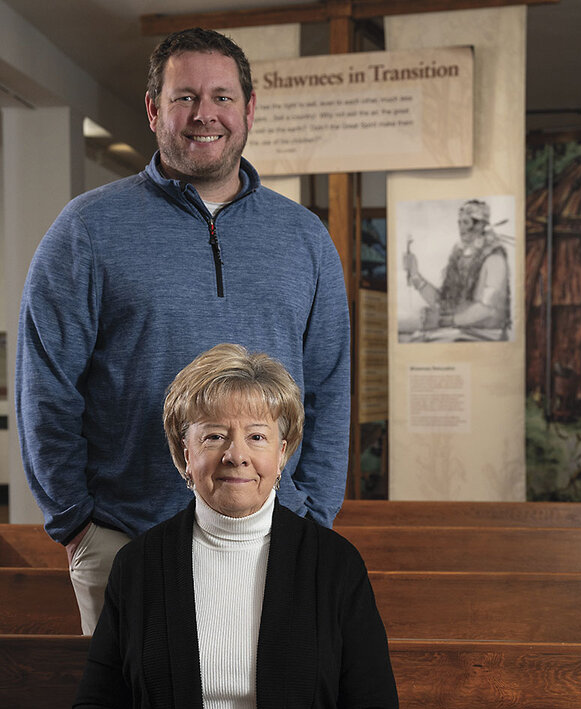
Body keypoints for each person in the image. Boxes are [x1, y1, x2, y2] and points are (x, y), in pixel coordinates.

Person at [15, 27, 350, 636]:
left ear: (249, 109)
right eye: (184, 97)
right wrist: (77, 524)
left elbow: (327, 387)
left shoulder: (305, 239)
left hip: (271, 538)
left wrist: (314, 518)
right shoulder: (87, 230)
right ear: (153, 110)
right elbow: (46, 383)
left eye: (222, 97)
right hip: (124, 537)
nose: (205, 115)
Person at [72, 345, 400, 709]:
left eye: (257, 436)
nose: (236, 455)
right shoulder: (138, 564)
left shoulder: (334, 565)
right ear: (185, 453)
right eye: (214, 436)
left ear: (283, 453)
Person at [403, 199, 510, 339]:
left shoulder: (494, 258)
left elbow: (487, 309)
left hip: (486, 336)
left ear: (480, 226)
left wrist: (443, 321)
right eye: (459, 223)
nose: (461, 229)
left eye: (466, 222)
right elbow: (443, 303)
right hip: (459, 332)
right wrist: (415, 274)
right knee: (417, 339)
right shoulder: (458, 258)